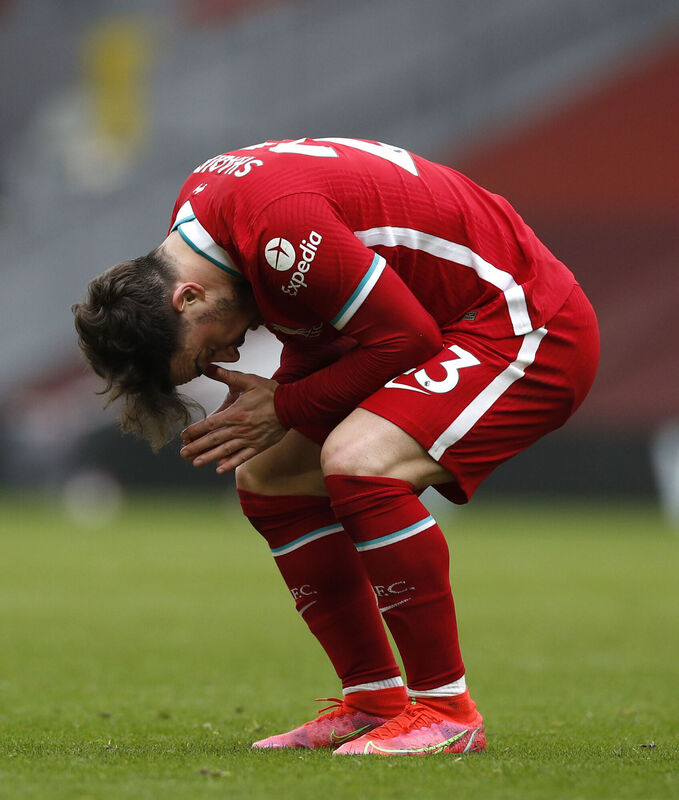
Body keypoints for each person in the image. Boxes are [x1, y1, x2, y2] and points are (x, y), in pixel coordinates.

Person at [72, 137, 599, 757]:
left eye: (206, 350)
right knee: (268, 474)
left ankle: (446, 711)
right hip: (456, 323)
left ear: (185, 298)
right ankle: (374, 701)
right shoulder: (205, 222)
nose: (231, 353)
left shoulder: (277, 230)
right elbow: (324, 326)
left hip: (525, 323)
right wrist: (281, 405)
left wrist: (286, 406)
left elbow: (406, 339)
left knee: (360, 461)